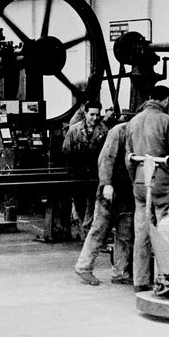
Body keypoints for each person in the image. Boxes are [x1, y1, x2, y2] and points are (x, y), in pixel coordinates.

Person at [125, 85, 169, 292]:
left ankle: (140, 280)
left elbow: (128, 158)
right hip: (162, 184)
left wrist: (135, 179)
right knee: (163, 230)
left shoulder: (133, 121)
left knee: (142, 231)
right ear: (165, 101)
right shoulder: (168, 121)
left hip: (140, 182)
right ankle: (163, 279)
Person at [74, 112, 134, 286]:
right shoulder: (119, 131)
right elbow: (106, 159)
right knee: (99, 230)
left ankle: (120, 272)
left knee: (125, 234)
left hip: (128, 193)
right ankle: (83, 267)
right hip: (112, 191)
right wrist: (106, 183)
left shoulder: (138, 131)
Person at [62, 100, 108, 240]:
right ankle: (84, 228)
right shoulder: (74, 130)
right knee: (79, 202)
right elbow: (66, 150)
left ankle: (87, 231)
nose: (95, 118)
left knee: (92, 201)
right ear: (85, 113)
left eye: (97, 115)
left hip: (95, 173)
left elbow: (106, 153)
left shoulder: (104, 130)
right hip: (78, 172)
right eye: (92, 114)